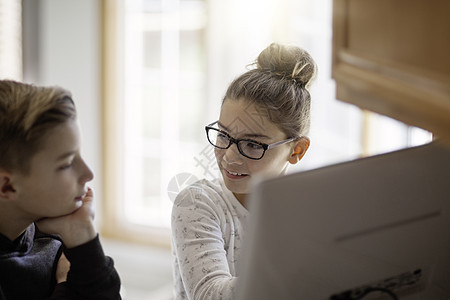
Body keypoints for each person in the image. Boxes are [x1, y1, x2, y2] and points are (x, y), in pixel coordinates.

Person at [171, 43, 318, 299]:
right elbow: (210, 294)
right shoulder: (198, 204)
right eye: (223, 135)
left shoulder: (309, 209)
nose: (229, 156)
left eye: (252, 144)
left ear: (297, 150)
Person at [0, 80, 121, 299]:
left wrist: (83, 236)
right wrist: (66, 285)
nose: (88, 174)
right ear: (6, 186)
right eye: (66, 163)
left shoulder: (58, 230)